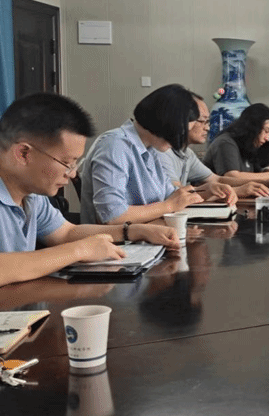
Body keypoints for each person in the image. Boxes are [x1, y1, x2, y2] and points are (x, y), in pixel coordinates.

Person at [0, 94, 179, 287]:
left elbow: (66, 233)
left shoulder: (32, 194)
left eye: (75, 163)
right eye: (66, 162)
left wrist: (135, 231)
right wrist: (78, 251)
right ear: (24, 153)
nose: (72, 173)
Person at [79, 84, 233, 225]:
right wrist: (168, 206)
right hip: (116, 243)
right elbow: (113, 216)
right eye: (181, 132)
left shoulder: (150, 149)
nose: (180, 142)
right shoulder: (115, 145)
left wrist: (207, 191)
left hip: (148, 235)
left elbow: (172, 195)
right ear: (167, 122)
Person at [158, 94, 269, 199]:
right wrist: (237, 190)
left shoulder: (187, 153)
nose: (207, 128)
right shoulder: (162, 152)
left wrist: (261, 183)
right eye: (202, 121)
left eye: (208, 122)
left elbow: (217, 179)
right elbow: (178, 195)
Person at [203, 103, 269, 186]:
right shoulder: (225, 142)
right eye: (266, 131)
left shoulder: (248, 146)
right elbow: (232, 176)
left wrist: (266, 172)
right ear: (253, 126)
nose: (268, 138)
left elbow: (251, 175)